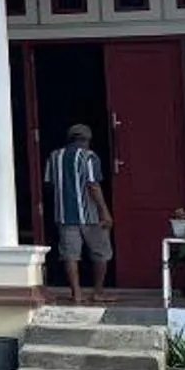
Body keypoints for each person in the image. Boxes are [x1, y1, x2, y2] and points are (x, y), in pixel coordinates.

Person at [43, 122, 112, 304]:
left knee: (70, 255)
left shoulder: (54, 156)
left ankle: (77, 293)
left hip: (64, 215)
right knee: (101, 253)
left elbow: (49, 184)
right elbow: (93, 185)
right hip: (91, 215)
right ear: (87, 140)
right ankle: (98, 292)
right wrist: (104, 212)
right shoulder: (89, 157)